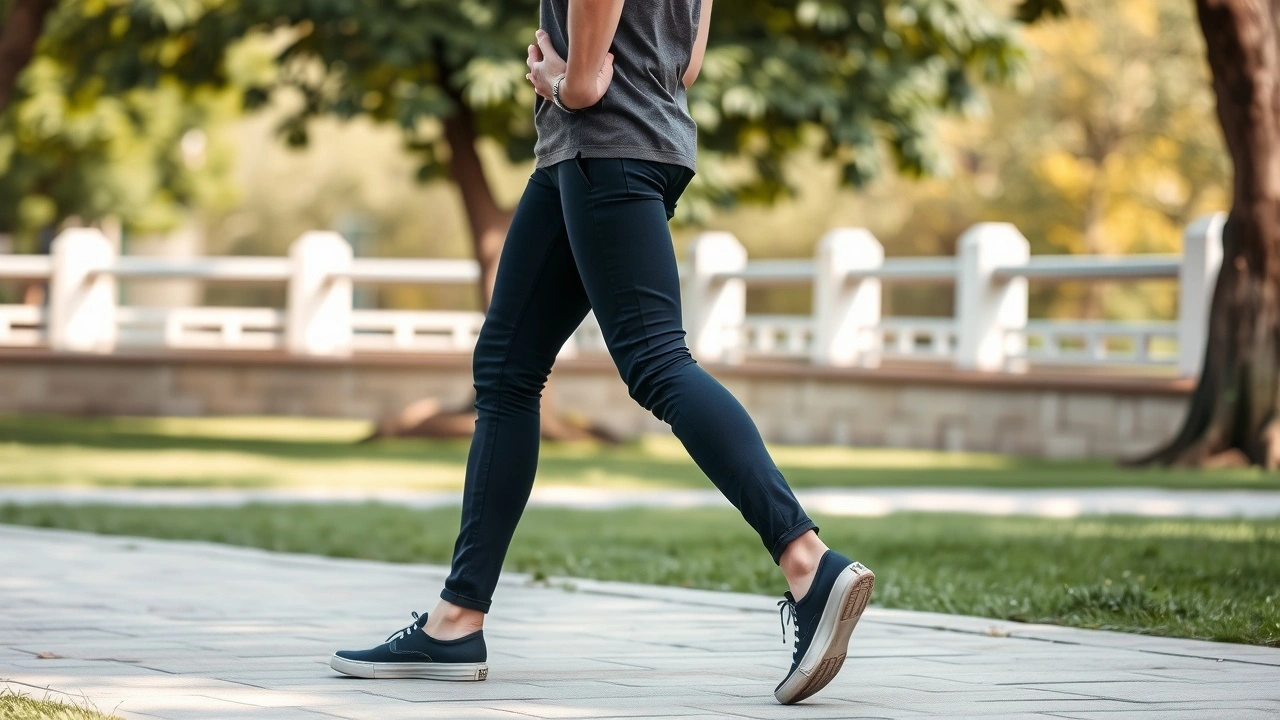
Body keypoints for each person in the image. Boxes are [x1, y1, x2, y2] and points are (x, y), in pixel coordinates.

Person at [329, 0, 874, 704]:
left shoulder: (585, 102)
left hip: (601, 137)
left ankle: (807, 560)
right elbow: (691, 60)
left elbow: (590, 71)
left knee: (655, 362)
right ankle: (456, 620)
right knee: (506, 368)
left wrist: (571, 84)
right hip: (627, 142)